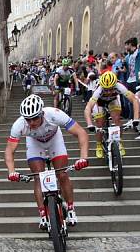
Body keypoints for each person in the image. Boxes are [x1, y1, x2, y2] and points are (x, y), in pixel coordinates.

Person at [5, 95, 89, 229]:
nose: (31, 122)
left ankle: (71, 208)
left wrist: (83, 158)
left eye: (35, 118)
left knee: (62, 174)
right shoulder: (19, 125)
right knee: (38, 177)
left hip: (55, 140)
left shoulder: (54, 115)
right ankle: (43, 215)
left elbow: (81, 133)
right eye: (28, 119)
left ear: (42, 114)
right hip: (35, 143)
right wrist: (11, 171)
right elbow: (9, 150)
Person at [83, 71, 140, 159]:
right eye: (106, 89)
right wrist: (89, 124)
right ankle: (99, 145)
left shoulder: (119, 86)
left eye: (111, 88)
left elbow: (134, 100)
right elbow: (88, 108)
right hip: (99, 102)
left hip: (113, 100)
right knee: (99, 122)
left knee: (116, 118)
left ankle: (119, 142)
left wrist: (136, 118)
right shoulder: (98, 90)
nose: (109, 91)